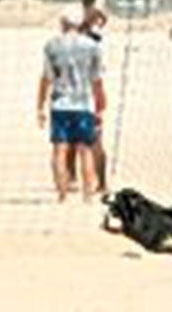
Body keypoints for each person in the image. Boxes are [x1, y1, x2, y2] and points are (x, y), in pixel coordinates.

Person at [35, 12, 105, 204]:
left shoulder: (52, 45)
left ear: (63, 23)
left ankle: (62, 194)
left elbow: (46, 78)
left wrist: (40, 105)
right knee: (86, 150)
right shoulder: (92, 46)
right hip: (84, 103)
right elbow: (97, 80)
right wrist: (100, 106)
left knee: (60, 150)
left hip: (60, 104)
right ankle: (87, 196)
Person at [76, 0, 110, 190]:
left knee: (94, 139)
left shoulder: (93, 32)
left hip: (91, 89)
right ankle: (82, 179)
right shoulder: (86, 29)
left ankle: (102, 182)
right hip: (82, 88)